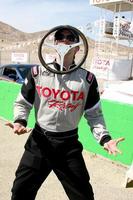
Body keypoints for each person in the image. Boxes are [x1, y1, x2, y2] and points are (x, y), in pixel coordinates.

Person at [6, 27, 124, 200]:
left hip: (68, 145)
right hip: (39, 142)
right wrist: (20, 121)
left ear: (77, 47)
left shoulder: (87, 79)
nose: (65, 40)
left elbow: (94, 114)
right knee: (20, 192)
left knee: (83, 196)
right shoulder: (37, 73)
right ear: (54, 43)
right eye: (60, 37)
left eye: (70, 37)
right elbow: (23, 103)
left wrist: (104, 139)